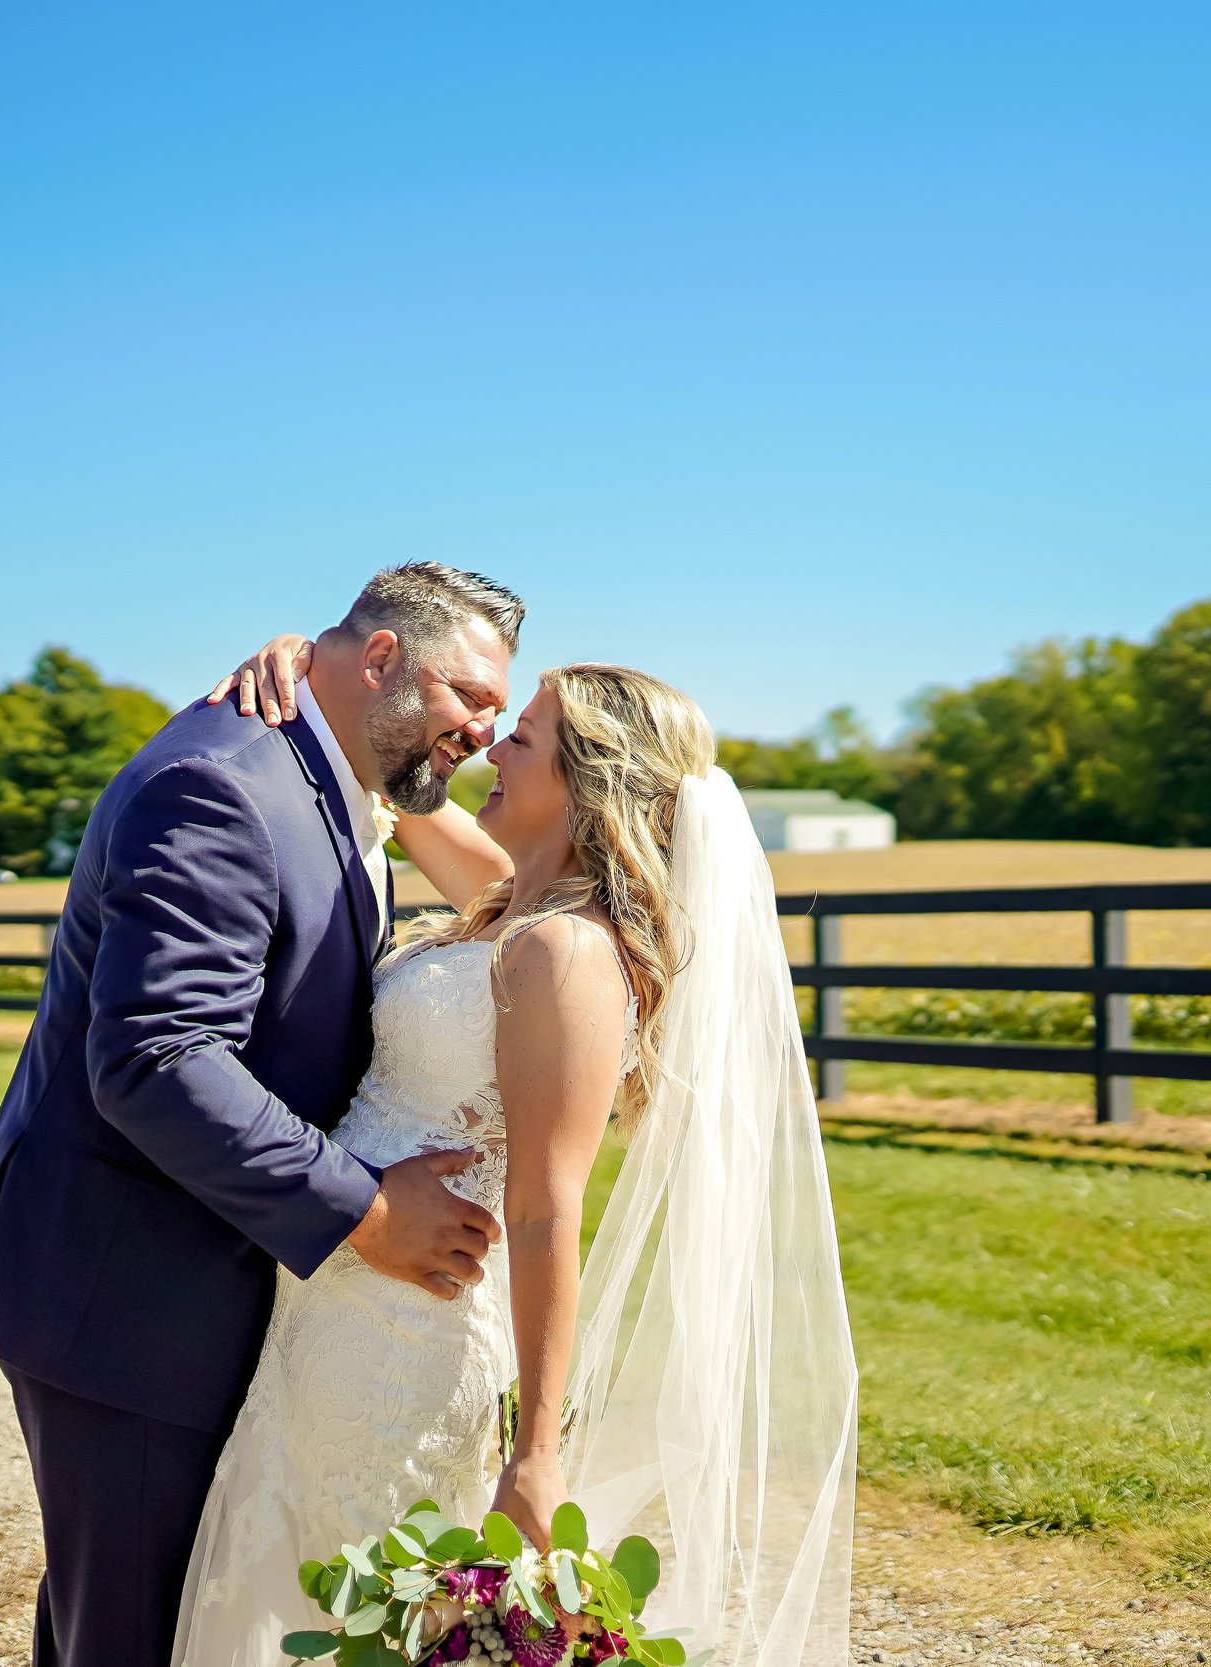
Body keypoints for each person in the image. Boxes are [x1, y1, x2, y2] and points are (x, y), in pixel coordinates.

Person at [171, 640, 860, 1667]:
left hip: (404, 1332)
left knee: (347, 1605)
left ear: (588, 784)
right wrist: (306, 668)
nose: (490, 749)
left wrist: (537, 1452)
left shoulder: (563, 951)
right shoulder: (509, 903)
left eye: (523, 738)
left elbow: (545, 1207)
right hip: (332, 1307)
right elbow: (380, 772)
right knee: (294, 1586)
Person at [0, 563, 528, 1667]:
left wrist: (312, 668)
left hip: (213, 1284)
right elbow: (159, 1060)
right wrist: (364, 1208)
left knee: (136, 1616)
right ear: (380, 659)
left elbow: (515, 898)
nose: (484, 731)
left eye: (504, 713)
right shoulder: (220, 781)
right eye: (469, 696)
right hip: (130, 1293)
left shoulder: (337, 770)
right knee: (131, 1627)